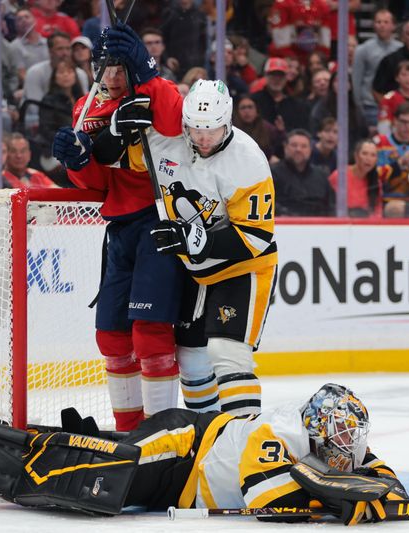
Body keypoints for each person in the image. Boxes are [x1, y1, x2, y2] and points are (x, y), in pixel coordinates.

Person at [103, 21, 278, 417]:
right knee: (192, 360)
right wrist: (110, 131)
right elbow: (115, 160)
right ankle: (205, 440)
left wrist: (199, 241)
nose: (201, 140)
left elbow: (256, 236)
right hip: (195, 269)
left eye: (211, 132)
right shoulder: (170, 140)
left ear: (228, 122)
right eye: (195, 130)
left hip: (243, 269)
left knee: (226, 353)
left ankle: (242, 443)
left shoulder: (247, 161)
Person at [0, 383, 408, 524]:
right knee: (99, 470)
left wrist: (375, 493)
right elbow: (266, 501)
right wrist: (339, 499)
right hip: (185, 447)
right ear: (316, 425)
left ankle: (7, 445)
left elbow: (387, 480)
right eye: (341, 436)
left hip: (180, 489)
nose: (347, 448)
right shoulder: (282, 431)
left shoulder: (335, 446)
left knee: (100, 477)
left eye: (352, 438)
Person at [52, 58, 186, 431]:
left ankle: (161, 433)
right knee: (110, 335)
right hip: (119, 228)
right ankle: (128, 430)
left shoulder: (157, 94)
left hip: (159, 221)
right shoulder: (86, 106)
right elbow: (96, 185)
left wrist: (148, 70)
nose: (111, 78)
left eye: (120, 69)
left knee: (150, 331)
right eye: (104, 68)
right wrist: (77, 160)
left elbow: (176, 124)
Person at [351, 8, 402, 127]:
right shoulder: (362, 50)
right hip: (370, 105)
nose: (382, 26)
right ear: (374, 25)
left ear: (393, 26)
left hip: (397, 106)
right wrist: (358, 106)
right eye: (378, 22)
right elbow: (356, 80)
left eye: (386, 22)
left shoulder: (401, 50)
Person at [272, 129, 334, 216]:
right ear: (285, 147)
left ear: (310, 149)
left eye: (304, 146)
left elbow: (331, 206)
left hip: (318, 226)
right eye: (294, 145)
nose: (298, 149)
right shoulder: (272, 174)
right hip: (283, 226)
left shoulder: (321, 176)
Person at [329, 139, 391, 218]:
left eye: (373, 155)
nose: (368, 159)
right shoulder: (340, 176)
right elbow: (330, 206)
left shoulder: (376, 182)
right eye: (364, 154)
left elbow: (377, 211)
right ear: (356, 156)